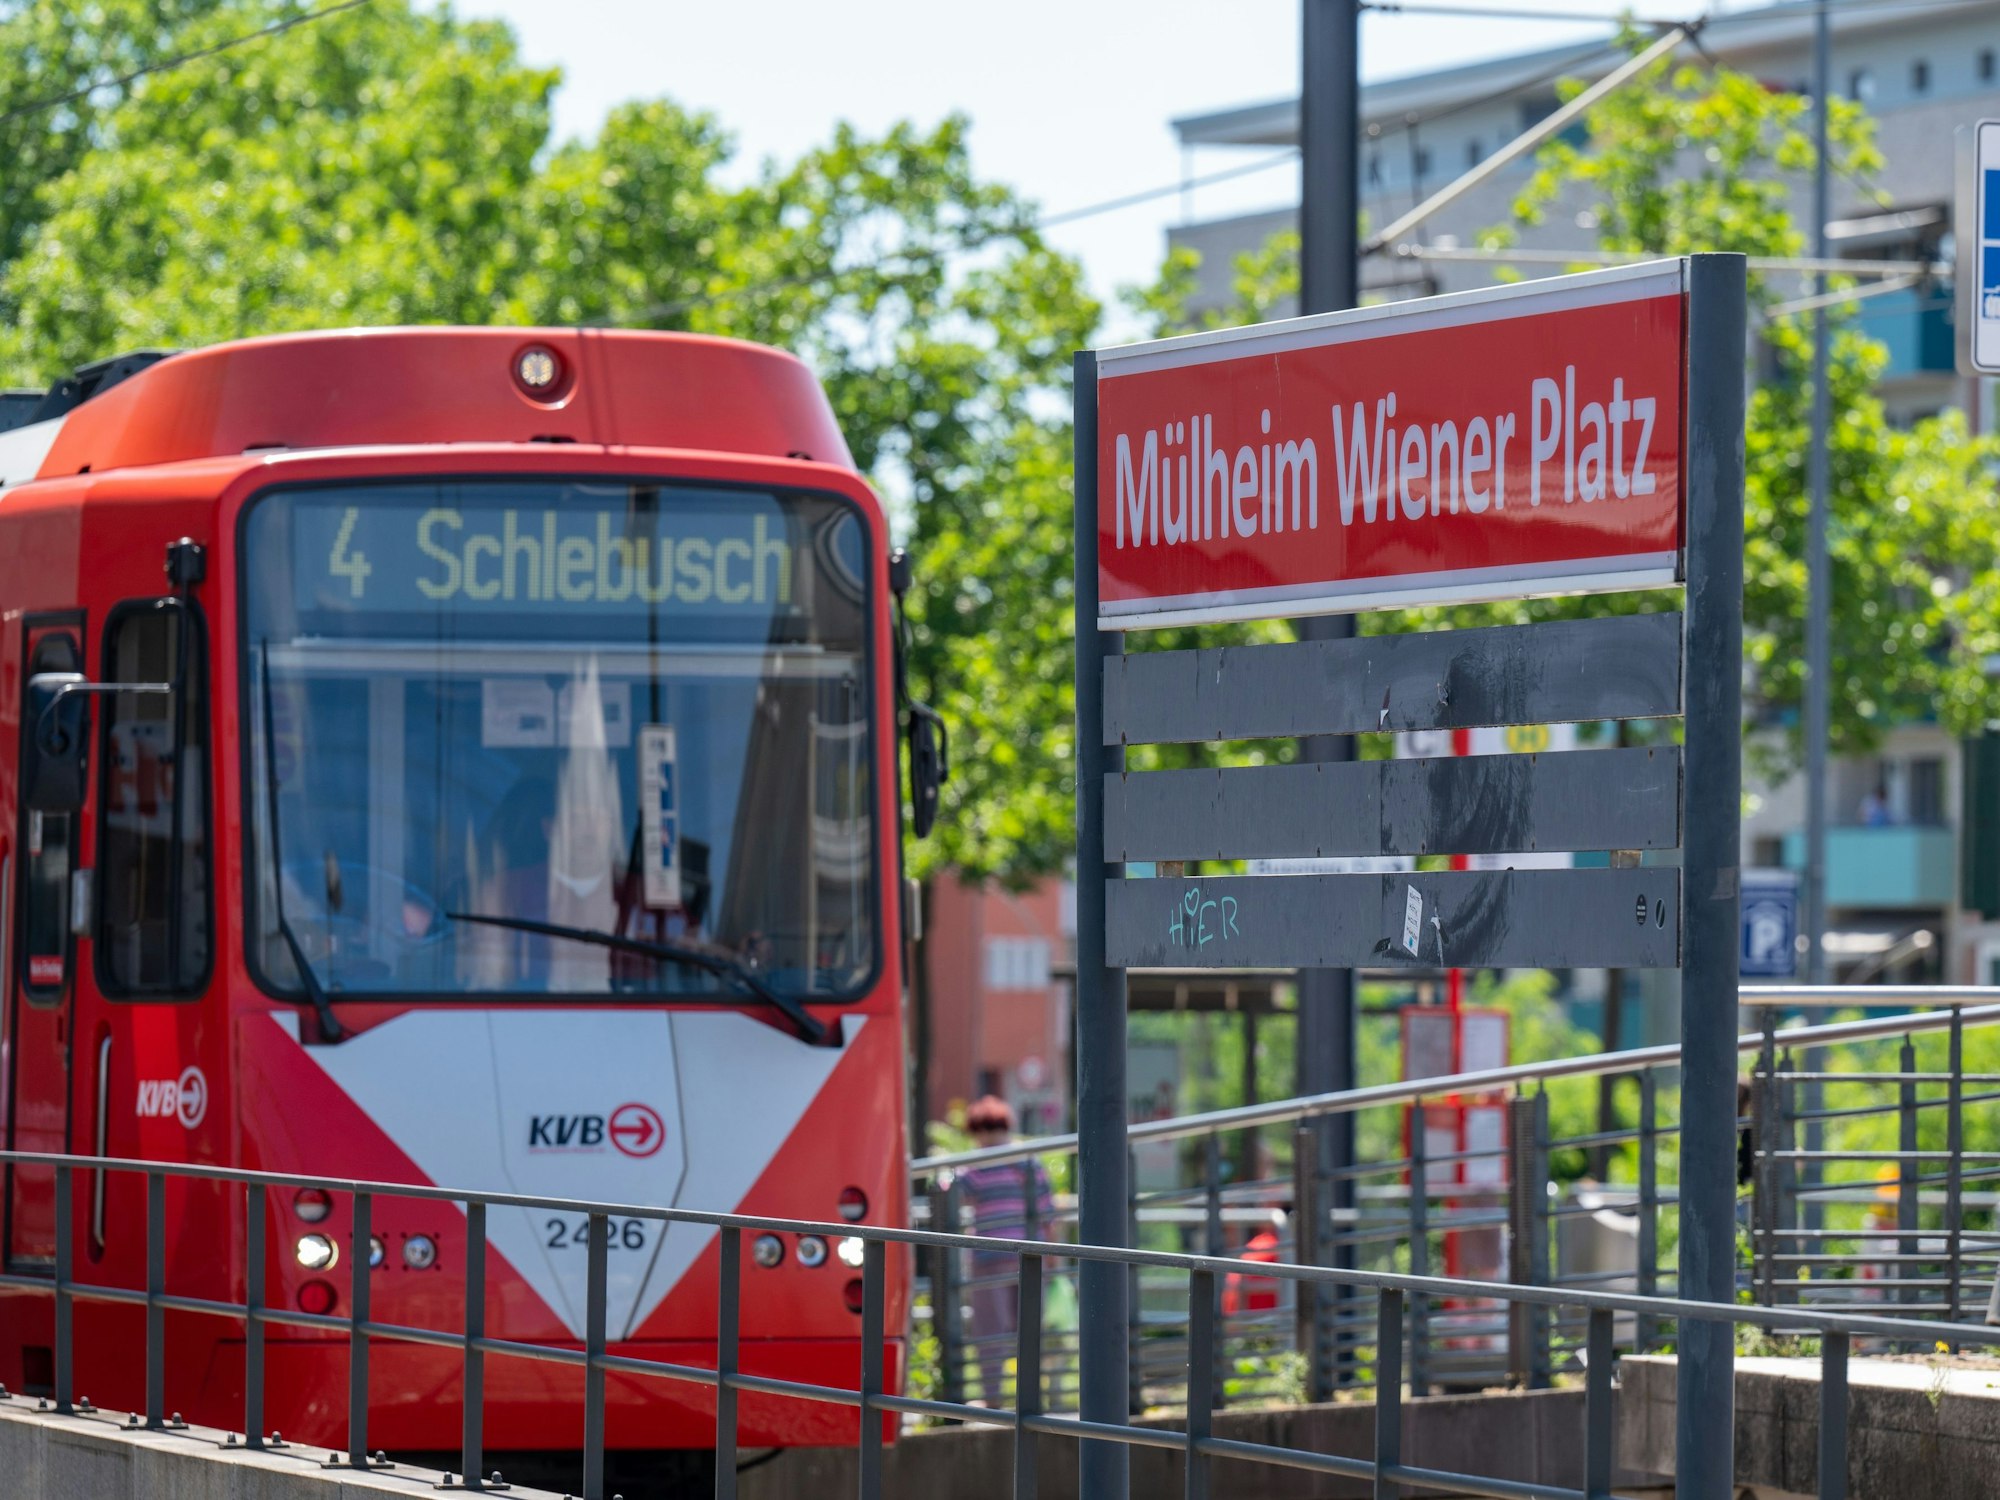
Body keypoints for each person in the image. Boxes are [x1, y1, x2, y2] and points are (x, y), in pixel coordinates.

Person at [954, 1096, 1056, 1405]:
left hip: (989, 1255)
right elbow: (1047, 1213)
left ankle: (993, 1398)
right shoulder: (1029, 1162)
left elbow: (953, 1196)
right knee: (1029, 1328)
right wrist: (1050, 1257)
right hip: (1028, 1254)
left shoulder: (975, 1166)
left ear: (978, 1129)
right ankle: (1031, 1397)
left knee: (990, 1331)